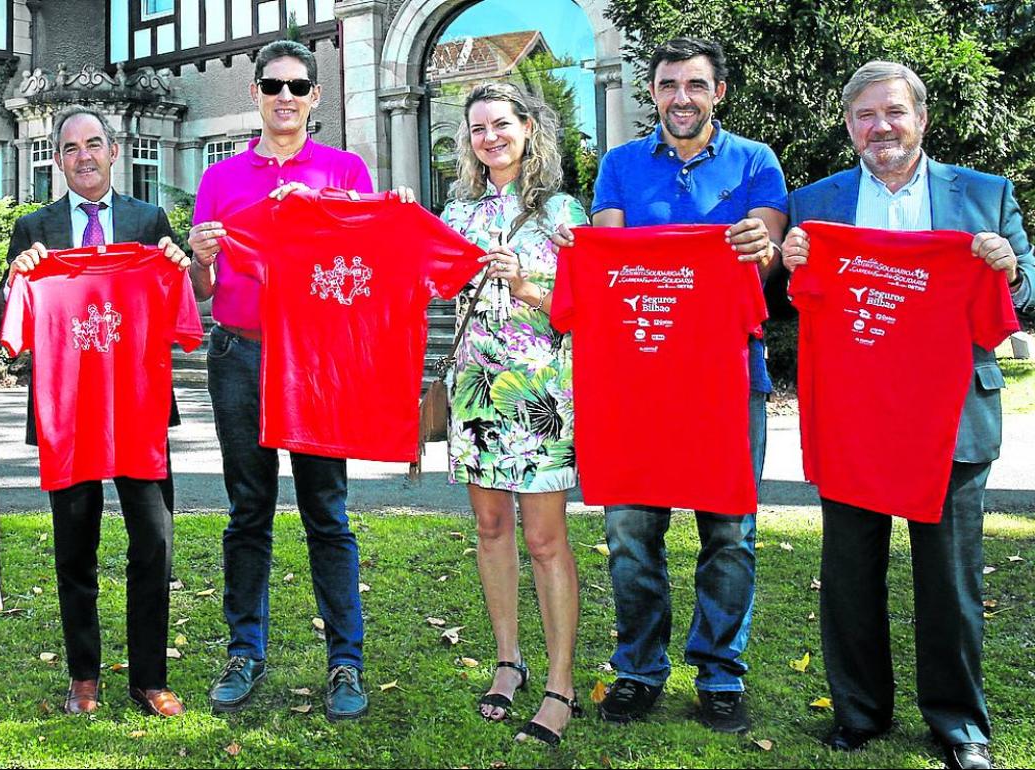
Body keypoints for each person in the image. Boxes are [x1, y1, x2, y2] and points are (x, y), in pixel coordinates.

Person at [781, 61, 1034, 770]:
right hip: (854, 416)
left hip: (951, 415)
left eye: (894, 112)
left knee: (950, 581)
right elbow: (781, 301)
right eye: (865, 115)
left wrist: (1010, 268)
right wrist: (787, 261)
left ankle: (959, 725)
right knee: (850, 573)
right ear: (849, 126)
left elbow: (1027, 295)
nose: (881, 127)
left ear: (921, 118)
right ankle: (859, 714)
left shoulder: (984, 194)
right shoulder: (815, 204)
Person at [555, 37, 787, 734]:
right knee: (630, 530)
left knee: (730, 531)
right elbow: (610, 257)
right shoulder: (620, 165)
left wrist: (761, 247)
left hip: (728, 377)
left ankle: (720, 674)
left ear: (719, 92)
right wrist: (581, 252)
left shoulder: (756, 161)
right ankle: (638, 669)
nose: (680, 98)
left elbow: (767, 256)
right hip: (637, 378)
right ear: (652, 93)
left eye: (695, 85)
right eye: (667, 85)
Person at [187, 39, 415, 721]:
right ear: (254, 93)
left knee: (327, 510)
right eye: (272, 85)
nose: (284, 96)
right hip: (241, 355)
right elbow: (203, 289)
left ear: (316, 96)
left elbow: (373, 256)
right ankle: (244, 651)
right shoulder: (221, 178)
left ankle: (346, 661)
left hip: (318, 362)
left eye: (296, 85)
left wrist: (387, 210)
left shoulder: (344, 170)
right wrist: (200, 259)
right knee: (247, 509)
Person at [0, 105, 191, 718]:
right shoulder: (34, 228)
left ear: (114, 150)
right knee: (74, 546)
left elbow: (178, 301)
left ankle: (149, 677)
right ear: (57, 159)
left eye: (94, 144)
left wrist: (178, 263)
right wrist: (16, 276)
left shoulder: (148, 221)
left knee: (153, 542)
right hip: (68, 410)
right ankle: (83, 675)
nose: (84, 156)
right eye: (71, 147)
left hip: (138, 407)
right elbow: (8, 316)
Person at [438, 82, 585, 746]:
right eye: (478, 129)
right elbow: (428, 280)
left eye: (501, 124)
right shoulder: (457, 213)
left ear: (529, 128)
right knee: (491, 527)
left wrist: (524, 284)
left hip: (540, 392)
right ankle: (508, 660)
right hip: (475, 388)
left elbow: (583, 309)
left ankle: (560, 683)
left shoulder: (564, 212)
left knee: (545, 540)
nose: (490, 137)